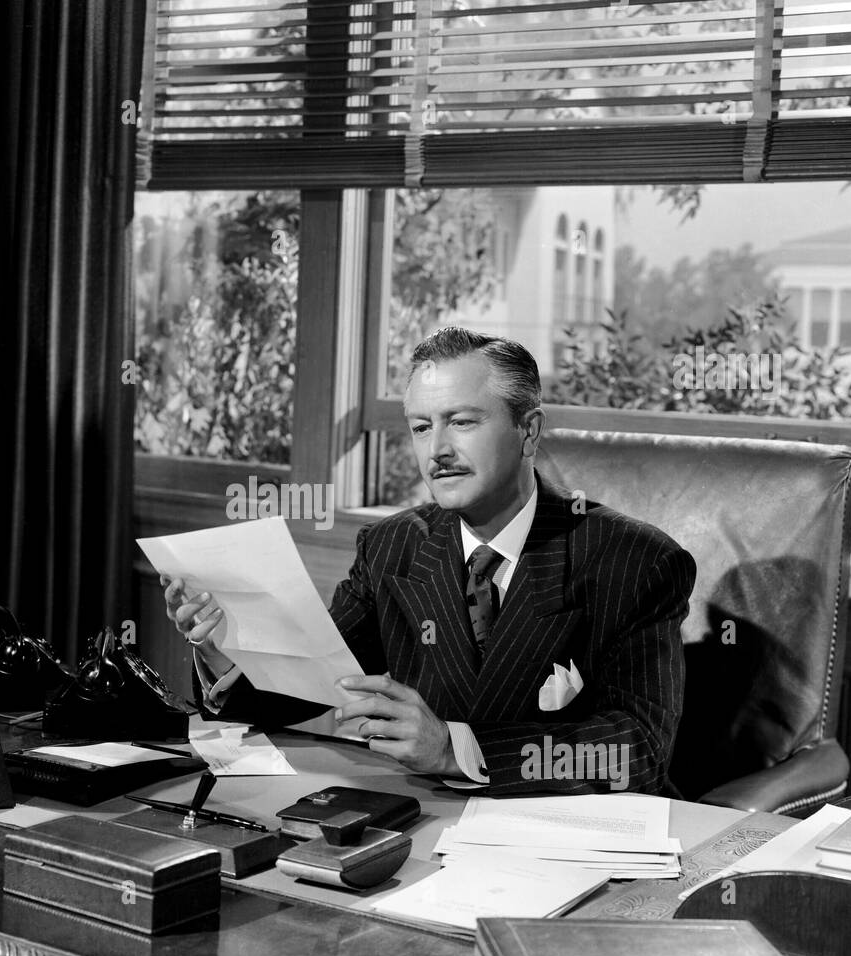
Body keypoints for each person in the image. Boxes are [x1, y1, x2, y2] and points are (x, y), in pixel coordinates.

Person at [162, 327, 696, 795]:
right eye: (421, 427)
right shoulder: (392, 547)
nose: (436, 449)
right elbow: (318, 682)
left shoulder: (636, 561)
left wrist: (455, 747)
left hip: (567, 838)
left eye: (461, 422)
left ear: (529, 430)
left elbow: (638, 750)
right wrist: (223, 654)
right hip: (425, 824)